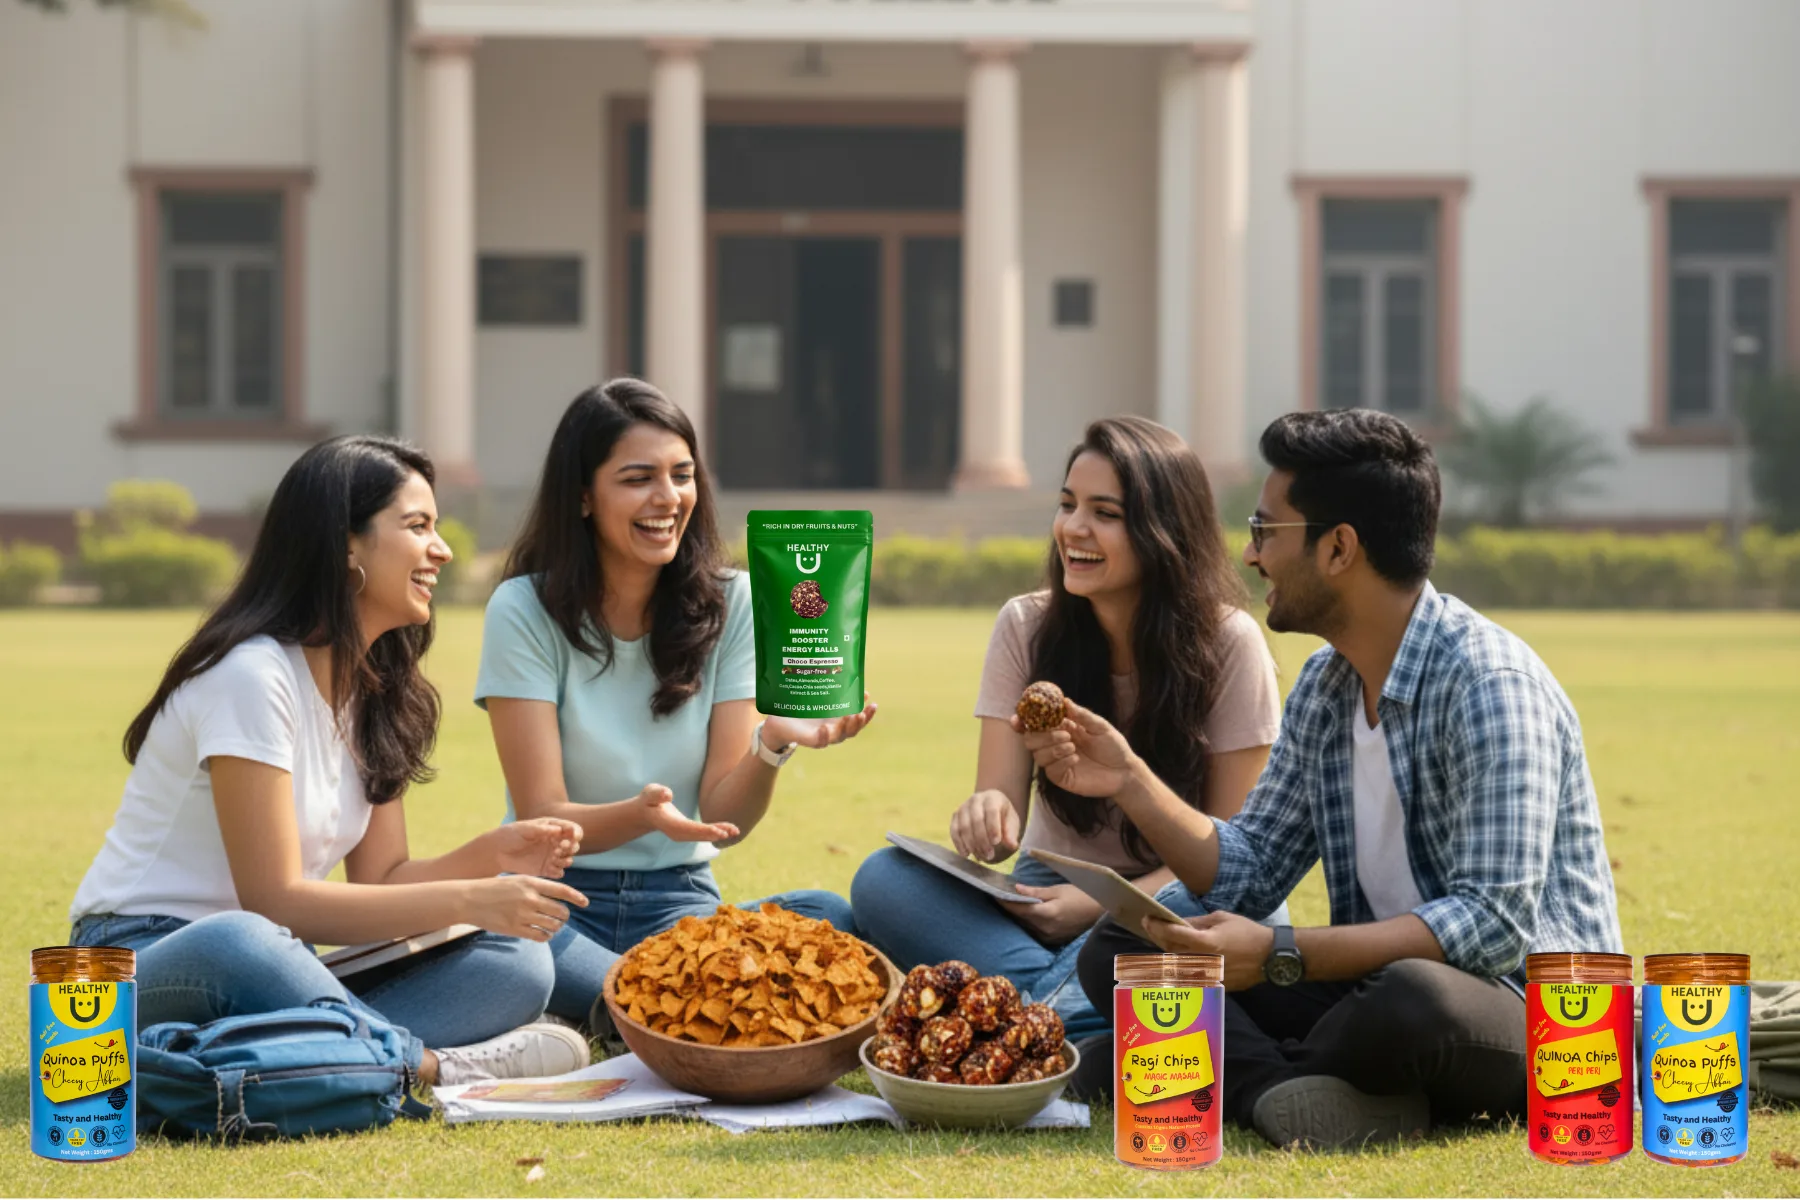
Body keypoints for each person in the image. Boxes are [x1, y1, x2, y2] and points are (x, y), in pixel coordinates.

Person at [1058, 409, 1623, 1149]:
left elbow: (1492, 927)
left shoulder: (1491, 682)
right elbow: (1249, 868)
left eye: (1264, 531)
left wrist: (1281, 956)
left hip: (1537, 1012)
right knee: (1126, 947)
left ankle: (1200, 1067)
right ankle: (1284, 1092)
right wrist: (1132, 779)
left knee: (1411, 1001)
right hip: (1362, 991)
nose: (1251, 556)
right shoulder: (1328, 684)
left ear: (1339, 548)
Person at [69, 435, 598, 1092]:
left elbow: (381, 877)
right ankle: (428, 1066)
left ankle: (268, 1058)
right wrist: (471, 897)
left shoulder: (375, 693)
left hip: (280, 963)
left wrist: (492, 855)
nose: (442, 549)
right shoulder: (252, 676)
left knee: (515, 963)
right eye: (417, 526)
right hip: (142, 958)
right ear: (347, 544)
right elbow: (275, 899)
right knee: (244, 938)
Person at [851, 416, 1284, 1038]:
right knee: (883, 879)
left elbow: (1234, 857)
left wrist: (1098, 908)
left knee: (1227, 905)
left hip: (1171, 899)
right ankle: (1075, 1018)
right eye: (1067, 504)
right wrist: (987, 816)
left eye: (1105, 513)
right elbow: (1001, 819)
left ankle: (1024, 1020)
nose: (1073, 528)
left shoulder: (1228, 644)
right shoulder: (1026, 625)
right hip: (1042, 894)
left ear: (1164, 530)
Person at [478, 379, 877, 1024]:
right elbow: (542, 812)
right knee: (522, 955)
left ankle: (648, 1006)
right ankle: (666, 1008)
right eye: (638, 478)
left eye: (682, 475)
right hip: (555, 899)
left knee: (826, 918)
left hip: (678, 901)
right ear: (583, 496)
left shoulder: (734, 602)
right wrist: (644, 816)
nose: (668, 498)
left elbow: (724, 814)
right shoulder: (523, 608)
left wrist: (771, 745)